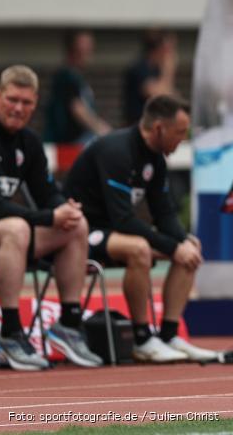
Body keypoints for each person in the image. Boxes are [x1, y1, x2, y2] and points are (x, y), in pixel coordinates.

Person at [64, 94, 220, 362]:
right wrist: (172, 247)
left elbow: (164, 213)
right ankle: (142, 339)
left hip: (116, 232)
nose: (183, 139)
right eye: (180, 132)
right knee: (139, 249)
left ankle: (169, 334)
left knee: (190, 248)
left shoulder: (156, 159)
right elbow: (124, 219)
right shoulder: (117, 151)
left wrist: (181, 241)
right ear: (159, 128)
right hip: (82, 234)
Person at [0, 65, 103, 370]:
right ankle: (10, 331)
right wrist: (47, 216)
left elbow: (47, 193)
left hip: (7, 237)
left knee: (76, 224)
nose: (18, 108)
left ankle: (68, 323)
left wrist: (64, 210)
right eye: (12, 99)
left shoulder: (29, 142)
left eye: (26, 102)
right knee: (16, 227)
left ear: (36, 102)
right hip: (4, 229)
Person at [43, 31, 111, 144]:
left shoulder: (76, 76)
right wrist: (102, 129)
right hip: (69, 144)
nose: (90, 50)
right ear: (75, 49)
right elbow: (78, 109)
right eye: (86, 46)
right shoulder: (66, 76)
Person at [122, 30, 177, 126]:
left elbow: (175, 99)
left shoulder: (157, 71)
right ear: (161, 48)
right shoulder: (139, 69)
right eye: (171, 49)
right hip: (139, 129)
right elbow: (162, 98)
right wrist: (168, 70)